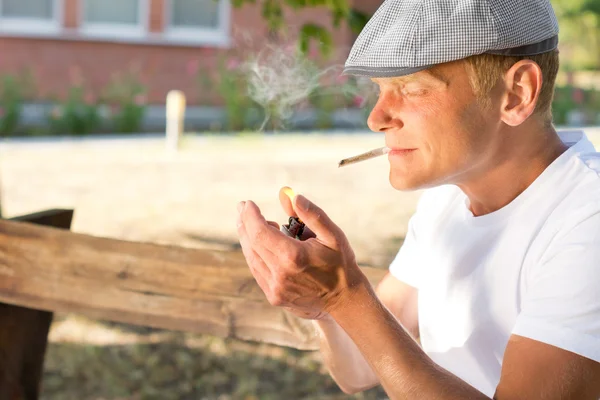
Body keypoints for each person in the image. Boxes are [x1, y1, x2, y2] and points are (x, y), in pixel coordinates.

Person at [236, 0, 600, 398]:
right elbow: (356, 370)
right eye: (381, 90)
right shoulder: (447, 200)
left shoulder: (587, 221)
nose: (376, 118)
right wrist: (320, 304)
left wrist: (344, 294)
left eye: (412, 88)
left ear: (516, 93)